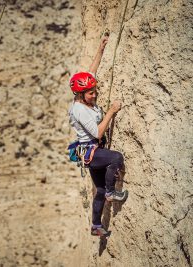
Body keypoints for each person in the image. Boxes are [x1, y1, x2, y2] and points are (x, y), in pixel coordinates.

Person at [68, 35, 128, 237]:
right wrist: (111, 111)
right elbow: (98, 132)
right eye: (90, 93)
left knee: (99, 190)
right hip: (92, 153)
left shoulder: (83, 95)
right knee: (116, 158)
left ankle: (96, 226)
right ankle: (113, 193)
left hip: (92, 152)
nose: (95, 95)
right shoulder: (80, 110)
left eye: (95, 91)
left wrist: (101, 48)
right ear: (80, 94)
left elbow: (91, 71)